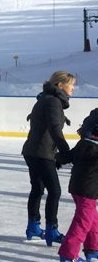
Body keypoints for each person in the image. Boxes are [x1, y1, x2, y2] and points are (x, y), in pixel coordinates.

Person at [22, 71, 75, 246]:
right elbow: (54, 129)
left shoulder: (45, 99)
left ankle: (33, 226)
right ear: (60, 86)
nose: (73, 88)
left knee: (37, 189)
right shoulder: (53, 102)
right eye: (71, 84)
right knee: (55, 191)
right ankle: (51, 229)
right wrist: (66, 153)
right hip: (41, 153)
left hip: (32, 151)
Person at [55, 123, 98, 262]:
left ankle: (93, 249)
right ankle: (68, 252)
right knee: (83, 222)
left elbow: (67, 157)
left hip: (76, 188)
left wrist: (57, 158)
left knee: (92, 218)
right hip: (88, 191)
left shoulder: (83, 144)